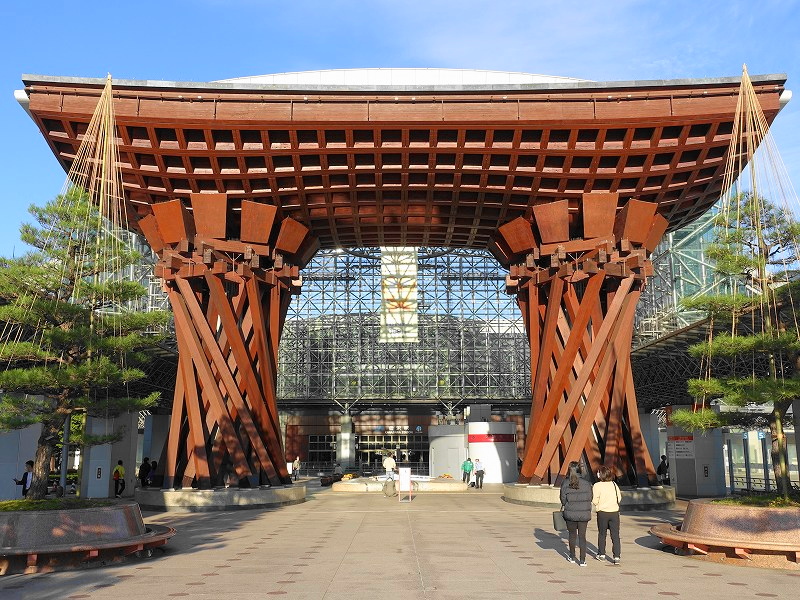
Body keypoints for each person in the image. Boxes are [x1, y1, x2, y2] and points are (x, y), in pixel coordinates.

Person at [559, 461, 592, 566]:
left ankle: (572, 556)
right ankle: (583, 560)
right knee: (582, 536)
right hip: (584, 513)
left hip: (570, 513)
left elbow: (563, 500)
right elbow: (590, 498)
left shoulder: (565, 483)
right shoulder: (587, 484)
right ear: (580, 469)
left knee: (572, 535)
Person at [592, 466, 622, 564]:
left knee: (602, 534)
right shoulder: (614, 484)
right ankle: (616, 556)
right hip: (614, 512)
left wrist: (598, 503)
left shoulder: (597, 485)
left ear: (601, 474)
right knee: (615, 535)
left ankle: (602, 554)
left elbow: (595, 500)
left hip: (602, 513)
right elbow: (619, 498)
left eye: (598, 472)